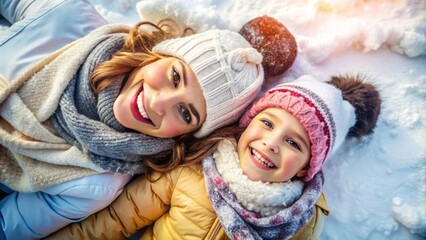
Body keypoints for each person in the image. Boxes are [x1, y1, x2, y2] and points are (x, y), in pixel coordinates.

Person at [0, 0, 265, 239]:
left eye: (185, 113)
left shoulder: (93, 184)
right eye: (175, 76)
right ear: (161, 53)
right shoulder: (69, 16)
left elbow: (6, 226)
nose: (159, 103)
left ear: (185, 136)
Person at [46, 74, 381, 239]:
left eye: (295, 143)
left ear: (308, 166)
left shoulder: (303, 220)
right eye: (266, 123)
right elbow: (116, 220)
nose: (271, 143)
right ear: (247, 124)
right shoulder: (191, 172)